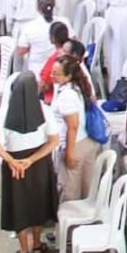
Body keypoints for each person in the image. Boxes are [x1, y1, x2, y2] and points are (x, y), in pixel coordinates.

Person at [0, 72, 60, 253]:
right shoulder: (44, 109)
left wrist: (11, 160)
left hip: (15, 165)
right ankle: (37, 244)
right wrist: (31, 160)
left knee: (19, 205)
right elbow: (53, 141)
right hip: (39, 164)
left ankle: (24, 251)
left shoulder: (5, 111)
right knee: (38, 202)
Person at [49, 54, 100, 202]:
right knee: (87, 189)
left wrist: (69, 153)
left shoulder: (66, 95)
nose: (52, 76)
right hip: (86, 141)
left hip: (75, 145)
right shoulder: (77, 88)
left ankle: (71, 224)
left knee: (70, 193)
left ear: (68, 76)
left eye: (56, 74)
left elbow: (72, 126)